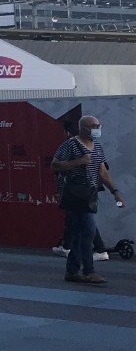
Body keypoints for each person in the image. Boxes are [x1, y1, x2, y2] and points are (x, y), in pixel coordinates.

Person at [52, 115, 124, 285]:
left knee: (78, 234)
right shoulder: (70, 144)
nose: (97, 128)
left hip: (89, 195)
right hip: (74, 194)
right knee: (89, 231)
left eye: (98, 125)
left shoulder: (97, 146)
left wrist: (115, 191)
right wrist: (78, 162)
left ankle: (72, 271)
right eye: (93, 126)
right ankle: (89, 271)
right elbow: (55, 165)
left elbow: (102, 172)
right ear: (83, 127)